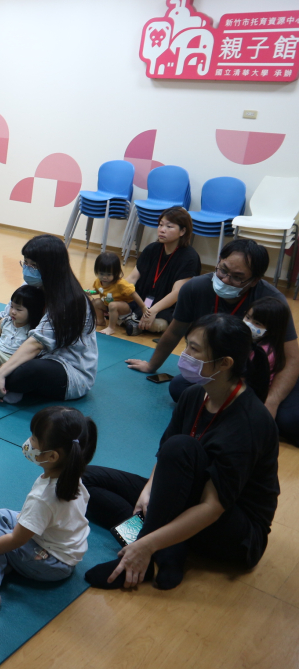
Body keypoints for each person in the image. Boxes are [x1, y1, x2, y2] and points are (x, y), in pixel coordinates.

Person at [83, 314, 278, 590]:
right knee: (81, 482)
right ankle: (168, 549)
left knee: (181, 448)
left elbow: (212, 507)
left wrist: (145, 544)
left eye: (194, 349)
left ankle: (144, 550)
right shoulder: (195, 395)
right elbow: (164, 457)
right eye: (187, 345)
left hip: (235, 527)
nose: (184, 355)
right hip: (188, 496)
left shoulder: (249, 421)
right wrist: (149, 489)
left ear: (225, 363)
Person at [126, 239, 299, 424]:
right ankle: (241, 408)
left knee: (289, 420)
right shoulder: (195, 288)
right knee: (179, 389)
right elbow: (175, 331)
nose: (225, 279)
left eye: (237, 277)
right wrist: (152, 365)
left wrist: (271, 402)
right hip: (221, 372)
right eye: (223, 270)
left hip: (264, 375)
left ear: (255, 280)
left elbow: (292, 358)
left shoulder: (272, 301)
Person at [0, 407, 96, 610]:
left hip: (51, 563)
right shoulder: (71, 475)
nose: (29, 442)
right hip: (63, 549)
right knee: (3, 516)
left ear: (52, 456)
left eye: (34, 439)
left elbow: (16, 539)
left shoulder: (44, 498)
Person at [0, 234, 98, 402]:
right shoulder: (31, 286)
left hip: (64, 367)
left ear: (52, 268)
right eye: (25, 262)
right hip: (26, 351)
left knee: (30, 372)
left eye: (33, 265)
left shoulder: (69, 301)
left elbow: (36, 344)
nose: (27, 268)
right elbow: (5, 320)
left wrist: (3, 371)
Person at [123, 207, 200, 336]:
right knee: (109, 304)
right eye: (160, 225)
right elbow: (132, 278)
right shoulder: (152, 249)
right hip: (143, 301)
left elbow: (177, 293)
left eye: (169, 227)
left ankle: (130, 320)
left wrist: (153, 310)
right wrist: (115, 291)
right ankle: (134, 321)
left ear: (182, 231)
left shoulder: (190, 257)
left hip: (167, 307)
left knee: (159, 324)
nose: (162, 230)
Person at [244, 296, 299, 445]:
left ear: (271, 329)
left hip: (260, 392)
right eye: (247, 317)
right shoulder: (249, 341)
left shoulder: (264, 353)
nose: (248, 324)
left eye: (257, 323)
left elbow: (252, 385)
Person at [90, 251, 147, 336]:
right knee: (96, 302)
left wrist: (143, 307)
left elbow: (134, 294)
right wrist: (89, 292)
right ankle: (100, 321)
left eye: (108, 274)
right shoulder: (99, 281)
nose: (104, 277)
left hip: (127, 307)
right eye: (101, 274)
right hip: (109, 304)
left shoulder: (121, 284)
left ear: (116, 273)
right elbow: (99, 290)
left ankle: (111, 328)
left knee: (113, 305)